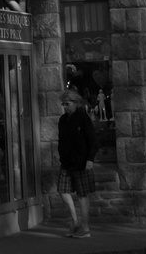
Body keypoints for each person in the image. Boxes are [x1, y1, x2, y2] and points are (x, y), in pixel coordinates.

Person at [57, 89, 98, 238]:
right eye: (63, 104)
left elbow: (93, 140)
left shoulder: (83, 118)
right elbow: (62, 139)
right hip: (67, 161)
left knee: (82, 194)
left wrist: (90, 159)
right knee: (63, 190)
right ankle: (75, 221)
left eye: (67, 104)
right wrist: (61, 156)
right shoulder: (63, 120)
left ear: (75, 103)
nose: (65, 107)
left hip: (81, 161)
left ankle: (85, 226)